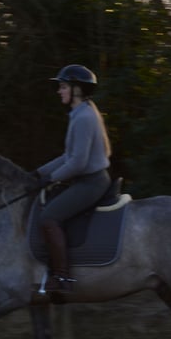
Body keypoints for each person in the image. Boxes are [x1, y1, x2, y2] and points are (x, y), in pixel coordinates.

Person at [35, 64, 112, 293]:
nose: (59, 91)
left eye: (63, 86)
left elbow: (78, 163)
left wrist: (51, 179)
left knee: (49, 217)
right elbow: (67, 156)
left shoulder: (84, 118)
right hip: (86, 180)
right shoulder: (82, 112)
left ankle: (62, 277)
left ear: (77, 90)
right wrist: (39, 173)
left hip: (92, 182)